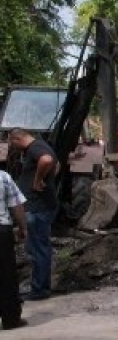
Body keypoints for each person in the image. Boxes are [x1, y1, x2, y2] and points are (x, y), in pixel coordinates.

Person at [8, 128, 59, 300]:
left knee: (38, 249)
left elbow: (47, 160)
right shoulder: (41, 145)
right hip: (41, 206)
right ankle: (39, 286)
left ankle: (40, 290)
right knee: (36, 247)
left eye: (12, 144)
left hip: (38, 208)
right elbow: (55, 165)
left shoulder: (35, 148)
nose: (13, 148)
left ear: (17, 139)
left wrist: (37, 181)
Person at [0, 169, 28, 330]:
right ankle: (10, 319)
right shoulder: (3, 176)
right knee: (6, 275)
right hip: (1, 231)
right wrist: (23, 227)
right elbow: (16, 205)